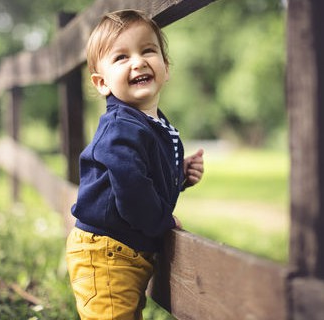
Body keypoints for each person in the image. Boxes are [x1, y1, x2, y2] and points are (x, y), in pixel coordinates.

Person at [65, 9, 204, 320]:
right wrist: (163, 222)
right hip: (105, 253)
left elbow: (145, 171)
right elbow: (131, 190)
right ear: (101, 82)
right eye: (121, 57)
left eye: (148, 50)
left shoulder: (150, 122)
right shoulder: (119, 127)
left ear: (166, 68)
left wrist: (179, 176)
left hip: (122, 250)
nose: (138, 61)